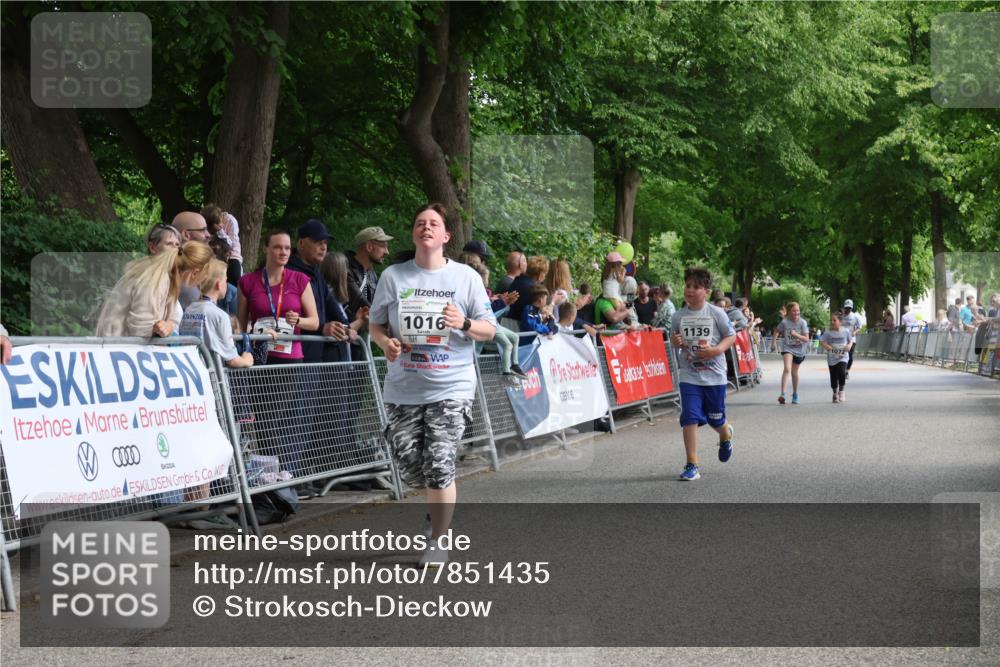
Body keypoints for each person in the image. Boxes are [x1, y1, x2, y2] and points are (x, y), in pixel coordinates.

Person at [370, 203, 497, 567]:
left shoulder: (465, 279)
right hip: (404, 386)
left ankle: (439, 540)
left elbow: (489, 328)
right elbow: (376, 325)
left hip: (452, 384)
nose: (426, 227)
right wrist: (385, 343)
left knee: (440, 463)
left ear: (445, 236)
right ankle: (435, 513)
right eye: (420, 222)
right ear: (414, 233)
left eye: (434, 224)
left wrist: (464, 322)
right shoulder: (394, 277)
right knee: (411, 464)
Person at [669, 267, 737, 481]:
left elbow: (731, 336)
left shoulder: (716, 313)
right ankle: (692, 464)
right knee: (689, 417)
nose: (690, 290)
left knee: (716, 420)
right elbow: (674, 343)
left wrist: (715, 350)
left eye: (696, 287)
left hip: (714, 376)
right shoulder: (678, 316)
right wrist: (676, 342)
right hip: (689, 375)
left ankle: (725, 435)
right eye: (688, 285)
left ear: (706, 291)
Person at [96, 242, 214, 338]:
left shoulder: (166, 277)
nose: (202, 282)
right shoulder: (156, 280)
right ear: (195, 273)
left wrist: (169, 326)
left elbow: (172, 318)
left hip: (117, 348)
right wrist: (159, 329)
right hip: (116, 349)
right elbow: (140, 328)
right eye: (205, 276)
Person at [238, 230, 320, 363]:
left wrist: (298, 320)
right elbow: (240, 325)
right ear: (266, 248)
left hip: (290, 357)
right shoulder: (247, 281)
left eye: (287, 248)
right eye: (278, 247)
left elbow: (315, 322)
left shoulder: (300, 280)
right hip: (257, 355)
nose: (283, 252)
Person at [287, 219, 353, 363]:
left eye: (325, 243)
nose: (323, 247)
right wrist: (322, 328)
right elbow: (289, 317)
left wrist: (346, 327)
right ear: (301, 243)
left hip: (316, 356)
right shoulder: (288, 273)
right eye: (318, 242)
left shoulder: (316, 272)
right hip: (295, 356)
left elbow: (329, 302)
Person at [347, 226, 393, 314]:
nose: (387, 252)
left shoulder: (371, 273)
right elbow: (361, 301)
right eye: (383, 246)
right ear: (369, 247)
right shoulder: (346, 269)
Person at [775, 301, 810, 404]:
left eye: (798, 311)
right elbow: (776, 330)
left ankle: (795, 394)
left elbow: (806, 339)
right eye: (794, 311)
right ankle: (783, 394)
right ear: (789, 312)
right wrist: (773, 343)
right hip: (788, 348)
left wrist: (796, 335)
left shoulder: (802, 322)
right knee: (787, 368)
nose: (796, 313)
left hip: (799, 350)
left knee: (794, 373)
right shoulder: (785, 322)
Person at [201, 204, 243, 285]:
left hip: (231, 255)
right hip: (213, 255)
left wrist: (220, 231)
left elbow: (232, 245)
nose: (222, 224)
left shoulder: (230, 220)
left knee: (234, 276)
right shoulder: (205, 223)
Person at [819, 312, 853, 404]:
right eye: (831, 320)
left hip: (843, 357)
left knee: (842, 372)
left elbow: (851, 341)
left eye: (835, 320)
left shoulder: (845, 331)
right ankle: (835, 393)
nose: (832, 322)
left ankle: (841, 391)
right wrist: (827, 346)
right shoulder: (828, 332)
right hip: (832, 358)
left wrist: (849, 346)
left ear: (840, 322)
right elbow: (821, 340)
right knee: (833, 376)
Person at [508, 255, 548, 321]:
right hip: (520, 325)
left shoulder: (518, 280)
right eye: (545, 274)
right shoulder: (533, 288)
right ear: (541, 274)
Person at [841, 299, 862, 378]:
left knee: (850, 356)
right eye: (846, 308)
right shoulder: (841, 316)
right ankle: (841, 370)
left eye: (849, 308)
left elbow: (859, 327)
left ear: (851, 308)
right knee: (842, 355)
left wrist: (855, 332)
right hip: (842, 339)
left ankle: (847, 370)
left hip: (851, 339)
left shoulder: (855, 316)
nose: (847, 309)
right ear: (844, 307)